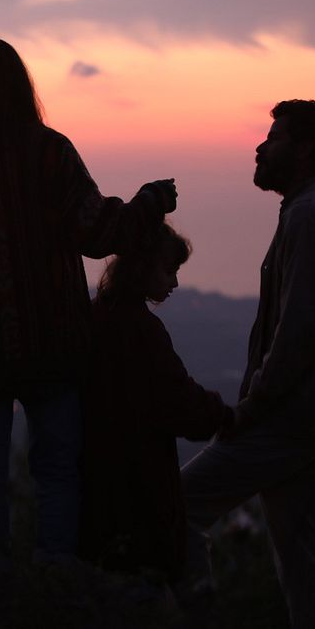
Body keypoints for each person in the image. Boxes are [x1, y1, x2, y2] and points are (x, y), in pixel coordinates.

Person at [0, 37, 178, 564]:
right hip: (55, 346)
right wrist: (148, 203)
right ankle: (57, 587)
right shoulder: (50, 153)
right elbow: (97, 231)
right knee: (57, 472)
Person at [181, 100, 315, 629]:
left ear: (304, 149)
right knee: (303, 545)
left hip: (292, 418)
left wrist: (251, 407)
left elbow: (299, 334)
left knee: (179, 508)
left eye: (273, 138)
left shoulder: (311, 217)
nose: (261, 148)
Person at [79, 223, 232, 583]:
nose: (174, 284)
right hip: (138, 487)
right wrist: (224, 414)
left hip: (94, 484)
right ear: (142, 266)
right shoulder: (142, 330)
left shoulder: (92, 318)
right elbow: (178, 401)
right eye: (169, 271)